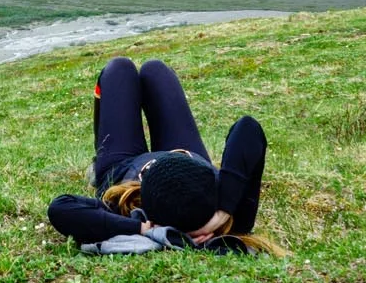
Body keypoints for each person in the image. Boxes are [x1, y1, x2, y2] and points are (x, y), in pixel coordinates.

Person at [47, 56, 284, 254]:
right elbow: (248, 128)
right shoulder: (232, 216)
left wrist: (142, 229)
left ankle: (98, 161)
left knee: (119, 69)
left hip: (122, 165)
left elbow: (61, 208)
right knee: (154, 70)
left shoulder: (125, 206)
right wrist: (223, 212)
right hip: (189, 153)